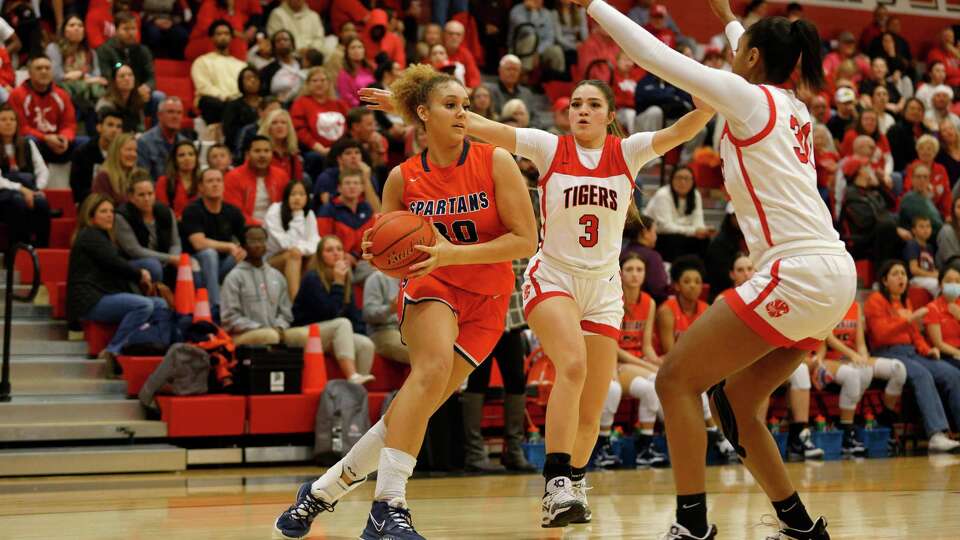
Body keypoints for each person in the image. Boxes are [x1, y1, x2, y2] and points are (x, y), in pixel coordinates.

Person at [362, 76, 709, 527]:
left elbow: (681, 131)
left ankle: (574, 483)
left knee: (593, 408)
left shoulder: (627, 153)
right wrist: (413, 106)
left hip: (603, 288)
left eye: (592, 104)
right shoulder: (549, 147)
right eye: (576, 104)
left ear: (609, 115)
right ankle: (556, 481)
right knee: (573, 366)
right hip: (553, 278)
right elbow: (481, 127)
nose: (582, 110)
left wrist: (707, 105)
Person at [579, 1, 858, 538]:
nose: (733, 57)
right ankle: (801, 527)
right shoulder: (790, 103)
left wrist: (595, 5)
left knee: (675, 380)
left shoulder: (748, 99)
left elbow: (655, 57)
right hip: (833, 275)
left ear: (752, 58)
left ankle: (692, 528)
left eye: (740, 50)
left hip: (797, 270)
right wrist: (729, 15)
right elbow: (750, 51)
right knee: (734, 402)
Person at [275, 64, 537, 540]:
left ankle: (320, 492)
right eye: (451, 105)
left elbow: (525, 240)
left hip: (490, 299)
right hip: (431, 287)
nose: (463, 113)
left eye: (466, 105)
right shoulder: (401, 178)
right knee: (431, 370)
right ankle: (389, 505)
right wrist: (377, 252)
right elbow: (384, 248)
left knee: (415, 409)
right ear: (423, 113)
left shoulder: (495, 161)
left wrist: (453, 253)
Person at [864, 260, 960, 454]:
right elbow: (881, 334)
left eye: (904, 274)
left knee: (950, 373)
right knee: (922, 375)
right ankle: (936, 434)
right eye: (896, 273)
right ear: (884, 280)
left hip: (911, 352)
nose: (901, 277)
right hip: (887, 352)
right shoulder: (875, 300)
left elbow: (915, 334)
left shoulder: (905, 301)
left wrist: (926, 349)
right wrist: (908, 319)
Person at [67, 193, 168, 376]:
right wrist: (139, 274)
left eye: (111, 211)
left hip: (105, 294)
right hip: (89, 300)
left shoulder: (103, 237)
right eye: (103, 211)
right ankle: (113, 350)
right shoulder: (90, 235)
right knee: (143, 305)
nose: (109, 215)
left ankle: (146, 345)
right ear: (91, 216)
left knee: (160, 305)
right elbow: (114, 262)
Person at [812, 300, 907, 457]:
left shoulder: (855, 306)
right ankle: (847, 432)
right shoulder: (827, 302)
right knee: (854, 375)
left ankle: (884, 420)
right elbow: (829, 339)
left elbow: (861, 342)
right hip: (830, 359)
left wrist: (862, 355)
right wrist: (853, 355)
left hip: (852, 357)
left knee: (898, 369)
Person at [606, 253, 668, 468]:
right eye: (630, 269)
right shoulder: (613, 299)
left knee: (660, 383)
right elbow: (613, 349)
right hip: (615, 362)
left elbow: (647, 347)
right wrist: (648, 365)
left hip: (636, 362)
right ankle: (608, 446)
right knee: (654, 384)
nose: (634, 275)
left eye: (639, 270)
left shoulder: (649, 302)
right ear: (620, 273)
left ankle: (646, 446)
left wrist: (658, 362)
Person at [292, 234, 376, 385]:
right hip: (306, 331)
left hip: (331, 332)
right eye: (329, 250)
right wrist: (338, 283)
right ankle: (352, 376)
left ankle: (357, 390)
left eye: (339, 249)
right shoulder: (312, 278)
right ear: (320, 256)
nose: (336, 253)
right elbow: (328, 313)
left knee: (365, 343)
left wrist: (360, 333)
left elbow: (353, 314)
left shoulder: (345, 277)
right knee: (342, 323)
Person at [221, 225, 306, 346]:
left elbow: (286, 312)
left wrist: (279, 327)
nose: (258, 244)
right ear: (243, 245)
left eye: (261, 240)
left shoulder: (277, 276)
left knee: (303, 335)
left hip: (275, 332)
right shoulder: (234, 277)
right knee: (269, 336)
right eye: (252, 241)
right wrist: (260, 328)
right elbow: (230, 319)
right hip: (242, 336)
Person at [181, 168, 248, 316]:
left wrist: (243, 250)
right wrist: (229, 246)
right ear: (201, 187)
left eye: (218, 180)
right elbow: (198, 243)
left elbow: (247, 240)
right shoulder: (192, 210)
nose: (215, 184)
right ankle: (216, 307)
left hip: (221, 266)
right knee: (209, 254)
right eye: (210, 181)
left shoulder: (232, 211)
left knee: (244, 255)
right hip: (195, 265)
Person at [7, 55, 77, 164]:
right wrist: (45, 138)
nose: (44, 72)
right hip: (35, 141)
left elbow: (69, 124)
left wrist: (64, 138)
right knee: (29, 141)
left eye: (47, 68)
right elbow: (21, 128)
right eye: (39, 68)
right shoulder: (17, 95)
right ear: (29, 73)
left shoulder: (62, 94)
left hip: (58, 142)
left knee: (85, 143)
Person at [114, 175, 182, 283]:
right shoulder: (121, 217)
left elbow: (175, 243)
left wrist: (175, 258)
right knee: (153, 265)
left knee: (191, 266)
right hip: (132, 262)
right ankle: (157, 297)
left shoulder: (167, 212)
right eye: (141, 195)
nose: (147, 199)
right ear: (131, 197)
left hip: (164, 259)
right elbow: (135, 251)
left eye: (150, 194)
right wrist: (170, 259)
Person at [46, 15, 107, 135]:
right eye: (72, 25)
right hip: (63, 92)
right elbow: (56, 76)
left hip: (88, 93)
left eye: (80, 25)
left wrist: (78, 75)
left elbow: (97, 77)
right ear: (64, 30)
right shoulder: (54, 48)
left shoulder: (90, 52)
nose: (77, 28)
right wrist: (84, 76)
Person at [0, 105, 50, 249]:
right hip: (4, 193)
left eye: (12, 119)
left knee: (41, 202)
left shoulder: (28, 143)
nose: (8, 123)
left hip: (29, 190)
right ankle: (18, 248)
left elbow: (42, 171)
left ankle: (41, 249)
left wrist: (37, 189)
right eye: (3, 119)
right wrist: (21, 189)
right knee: (17, 201)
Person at [96, 12, 161, 120]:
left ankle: (155, 135)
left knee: (159, 97)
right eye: (126, 29)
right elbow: (107, 76)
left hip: (139, 93)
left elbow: (151, 77)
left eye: (133, 29)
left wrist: (147, 87)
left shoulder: (143, 51)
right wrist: (128, 89)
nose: (131, 33)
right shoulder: (105, 50)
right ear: (116, 30)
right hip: (116, 92)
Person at [643, 166, 711, 261]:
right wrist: (693, 231)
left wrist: (703, 231)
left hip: (681, 233)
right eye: (679, 178)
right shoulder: (663, 195)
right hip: (660, 236)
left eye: (687, 178)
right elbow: (665, 227)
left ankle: (696, 271)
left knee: (704, 240)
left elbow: (698, 222)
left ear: (692, 181)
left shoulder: (695, 195)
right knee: (674, 240)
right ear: (672, 180)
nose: (683, 182)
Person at [265, 180, 318, 301]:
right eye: (293, 194)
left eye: (301, 194)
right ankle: (295, 304)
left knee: (316, 256)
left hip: (298, 256)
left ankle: (312, 301)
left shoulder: (308, 214)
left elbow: (315, 242)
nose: (297, 198)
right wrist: (298, 216)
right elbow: (284, 244)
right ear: (286, 196)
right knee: (294, 254)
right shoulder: (274, 211)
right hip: (272, 260)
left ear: (307, 198)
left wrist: (301, 248)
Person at [292, 68, 350, 176]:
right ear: (308, 84)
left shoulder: (339, 104)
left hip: (341, 149)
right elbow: (300, 130)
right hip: (315, 150)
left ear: (329, 83)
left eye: (323, 80)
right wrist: (320, 148)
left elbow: (350, 127)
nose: (319, 84)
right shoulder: (301, 103)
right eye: (315, 81)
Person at [191, 19, 248, 128]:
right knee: (208, 101)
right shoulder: (201, 61)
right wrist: (226, 97)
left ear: (231, 37)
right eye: (219, 34)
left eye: (226, 34)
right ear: (212, 37)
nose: (223, 37)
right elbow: (203, 87)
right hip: (216, 103)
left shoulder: (241, 65)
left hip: (237, 103)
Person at [224, 135, 289, 223]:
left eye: (266, 151)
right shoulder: (233, 177)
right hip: (245, 228)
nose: (262, 155)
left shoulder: (282, 176)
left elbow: (287, 207)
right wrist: (261, 226)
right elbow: (235, 213)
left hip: (276, 226)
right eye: (257, 151)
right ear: (247, 154)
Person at [315, 169, 377, 262]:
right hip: (337, 260)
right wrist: (343, 255)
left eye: (356, 183)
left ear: (362, 188)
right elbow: (324, 242)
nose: (352, 187)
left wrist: (356, 256)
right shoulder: (328, 210)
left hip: (364, 259)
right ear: (339, 188)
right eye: (347, 183)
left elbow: (373, 238)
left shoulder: (367, 208)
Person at [71, 109, 123, 205]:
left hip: (119, 204)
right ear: (99, 127)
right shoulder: (82, 153)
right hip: (90, 203)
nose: (115, 130)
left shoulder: (124, 153)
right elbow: (78, 189)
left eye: (118, 127)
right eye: (110, 125)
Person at [362, 269, 408, 364]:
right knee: (420, 353)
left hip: (408, 331)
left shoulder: (413, 279)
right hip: (383, 331)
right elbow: (368, 315)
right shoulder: (377, 278)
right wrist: (390, 309)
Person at [620, 215, 670, 303]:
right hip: (647, 305)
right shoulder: (653, 256)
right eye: (654, 232)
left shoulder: (620, 253)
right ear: (645, 232)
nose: (656, 237)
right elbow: (658, 289)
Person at [509, 0, 566, 77]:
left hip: (539, 49)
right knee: (531, 39)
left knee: (556, 50)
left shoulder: (546, 13)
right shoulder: (517, 10)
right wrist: (533, 11)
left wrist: (538, 52)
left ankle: (556, 82)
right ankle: (524, 77)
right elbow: (529, 31)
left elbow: (549, 38)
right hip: (519, 47)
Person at [138, 97, 189, 180]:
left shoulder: (185, 143)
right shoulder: (144, 142)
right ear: (159, 115)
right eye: (170, 112)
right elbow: (143, 179)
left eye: (179, 113)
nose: (175, 116)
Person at [266, 0, 337, 59]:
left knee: (333, 40)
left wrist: (310, 50)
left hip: (312, 55)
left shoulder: (314, 16)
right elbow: (276, 39)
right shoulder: (277, 14)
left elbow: (319, 38)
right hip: (289, 56)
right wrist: (298, 50)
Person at [923, 264, 960, 372]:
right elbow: (938, 344)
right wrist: (958, 353)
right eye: (948, 281)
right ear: (940, 284)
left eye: (958, 281)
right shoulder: (932, 308)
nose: (954, 284)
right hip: (945, 355)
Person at [222, 67, 262, 158]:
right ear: (241, 83)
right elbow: (229, 132)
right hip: (241, 147)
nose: (252, 80)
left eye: (255, 77)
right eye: (248, 78)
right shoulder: (233, 105)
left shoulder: (268, 103)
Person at [156, 140, 201, 219]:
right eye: (181, 155)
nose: (187, 158)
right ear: (174, 160)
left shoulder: (203, 181)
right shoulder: (164, 182)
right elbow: (163, 212)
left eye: (191, 154)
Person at [91, 133, 139, 205]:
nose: (133, 154)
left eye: (135, 150)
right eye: (129, 150)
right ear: (116, 152)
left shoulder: (138, 175)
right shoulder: (103, 177)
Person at [258, 109, 304, 183]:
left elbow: (298, 182)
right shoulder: (260, 152)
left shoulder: (292, 154)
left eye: (283, 123)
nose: (279, 126)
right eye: (274, 123)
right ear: (268, 128)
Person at [258, 30, 303, 105]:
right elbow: (264, 96)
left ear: (292, 44)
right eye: (278, 41)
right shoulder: (267, 71)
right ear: (273, 47)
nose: (282, 42)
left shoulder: (304, 63)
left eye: (285, 40)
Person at [95, 64, 144, 132]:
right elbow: (107, 132)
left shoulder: (136, 100)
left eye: (130, 75)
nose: (127, 78)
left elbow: (140, 127)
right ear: (114, 81)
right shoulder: (106, 104)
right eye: (122, 76)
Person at [899, 164, 943, 236]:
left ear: (929, 180)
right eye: (918, 177)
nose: (922, 180)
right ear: (912, 179)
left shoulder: (927, 197)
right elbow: (935, 225)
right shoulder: (910, 198)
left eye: (925, 177)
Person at [887, 97, 929, 173]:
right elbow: (896, 157)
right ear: (904, 111)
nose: (916, 112)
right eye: (912, 109)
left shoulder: (927, 131)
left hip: (926, 169)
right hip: (903, 170)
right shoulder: (895, 130)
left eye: (919, 109)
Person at [904, 215, 940, 296]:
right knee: (938, 285)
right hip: (915, 278)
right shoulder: (912, 244)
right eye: (921, 227)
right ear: (913, 230)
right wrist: (933, 275)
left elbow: (932, 268)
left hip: (927, 277)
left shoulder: (929, 247)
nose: (926, 230)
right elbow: (914, 269)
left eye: (928, 226)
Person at [936, 198, 960, 269]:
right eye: (959, 207)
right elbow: (951, 260)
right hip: (949, 269)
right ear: (953, 210)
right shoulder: (947, 230)